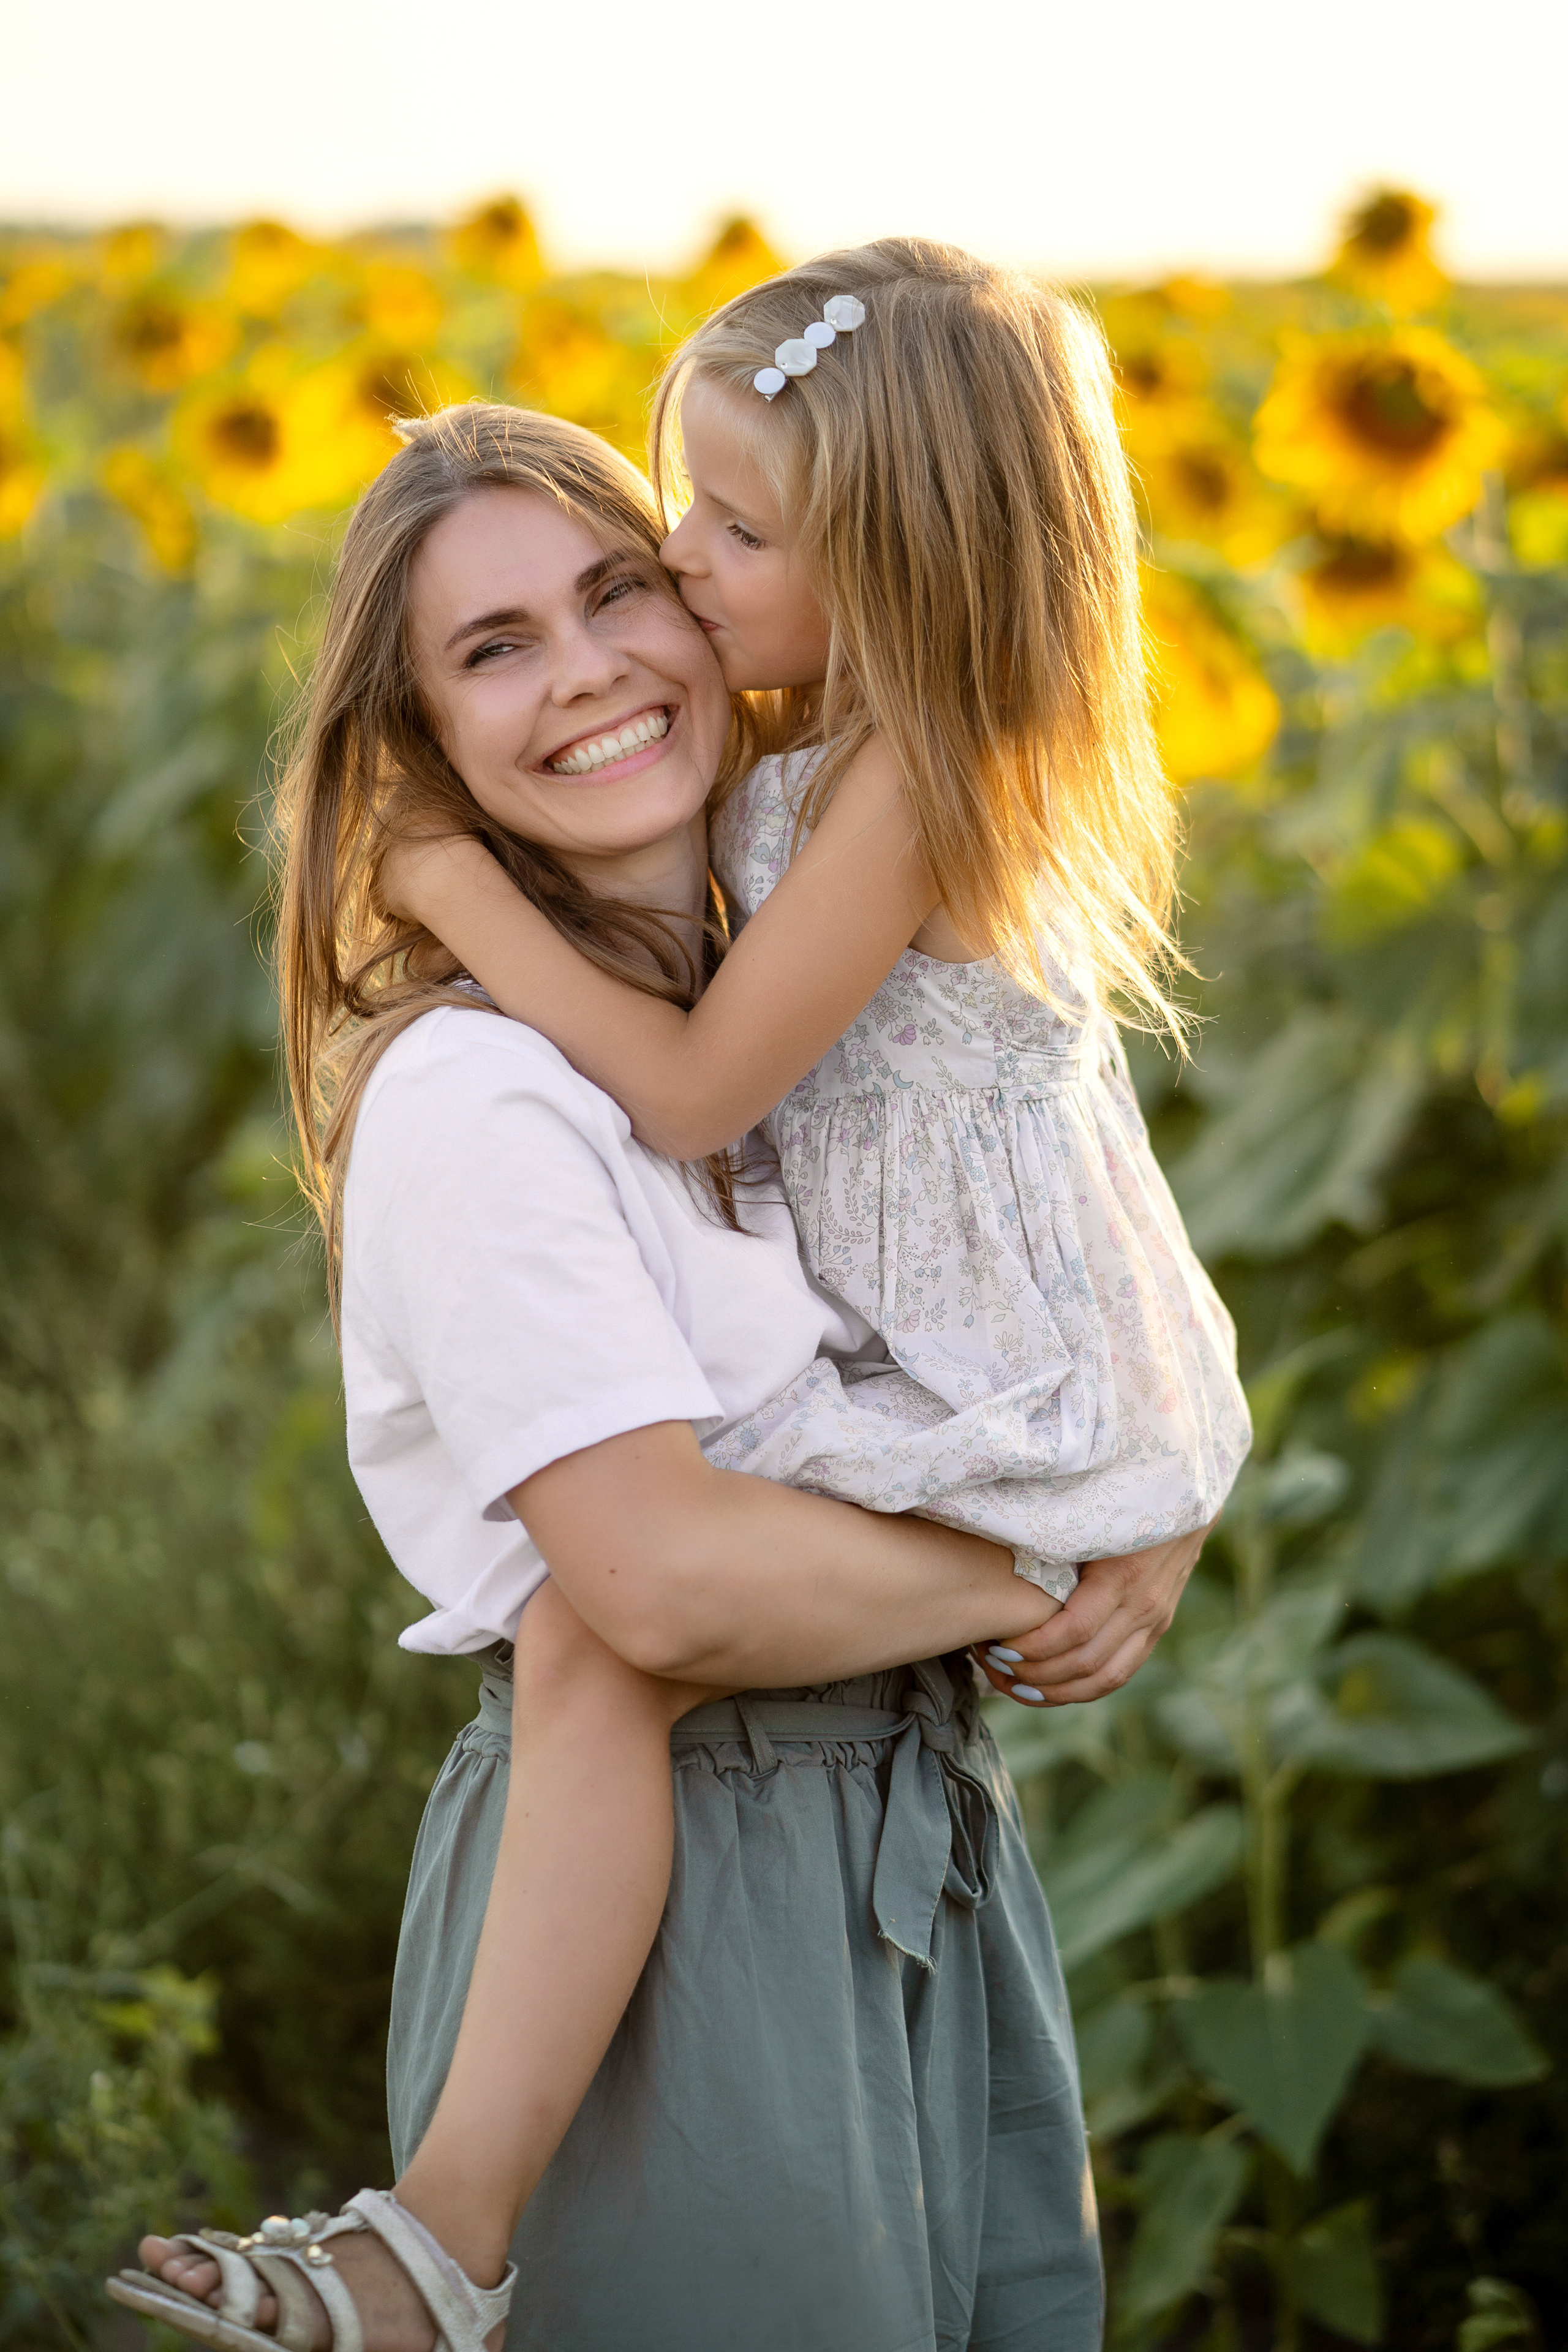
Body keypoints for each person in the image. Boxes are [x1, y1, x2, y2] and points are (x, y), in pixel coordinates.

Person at [111, 391, 1220, 2352]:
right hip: (678, 1919)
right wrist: (1051, 1563)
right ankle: (426, 2252)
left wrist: (1130, 1484)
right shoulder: (484, 1093)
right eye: (494, 648)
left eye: (625, 586)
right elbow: (646, 1588)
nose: (595, 668)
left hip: (920, 1849)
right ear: (423, 748)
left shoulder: (802, 1027)